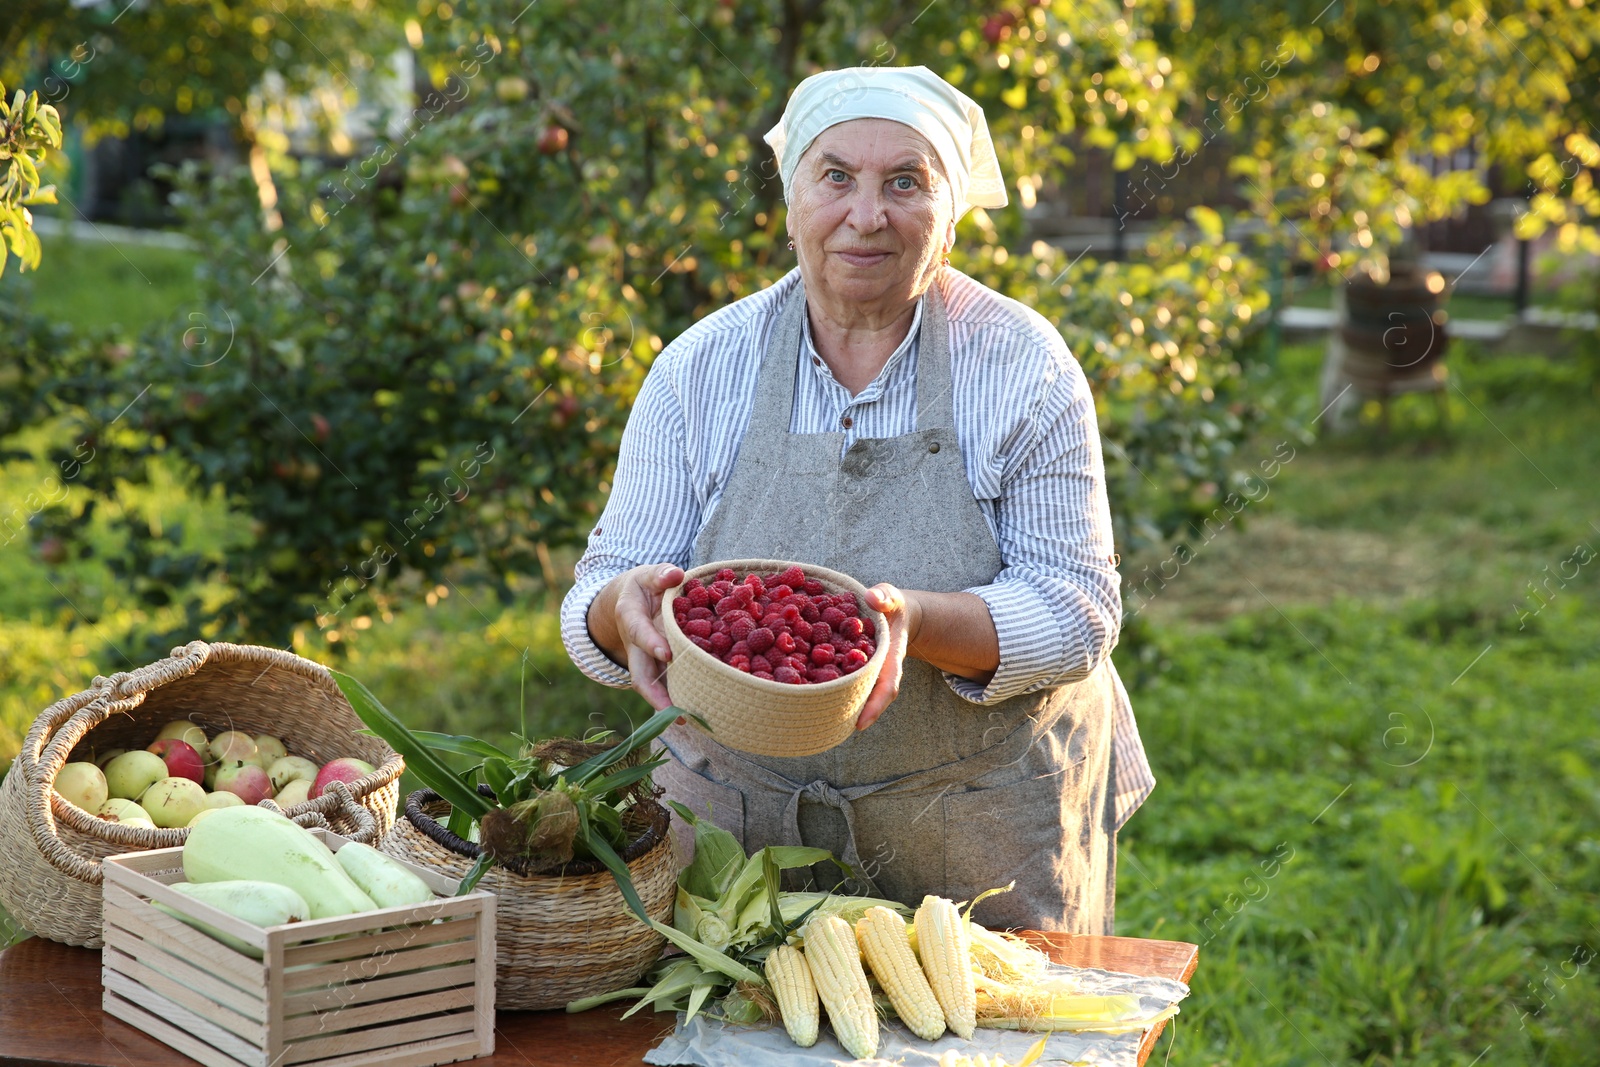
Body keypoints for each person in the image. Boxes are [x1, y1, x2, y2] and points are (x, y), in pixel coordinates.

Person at [560, 65, 1153, 934]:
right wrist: (625, 610)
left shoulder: (1022, 364)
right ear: (791, 197)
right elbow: (599, 591)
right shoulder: (700, 368)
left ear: (951, 216)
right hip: (739, 824)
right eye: (835, 176)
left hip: (976, 820)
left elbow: (1079, 607)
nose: (866, 214)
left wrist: (908, 621)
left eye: (905, 182)